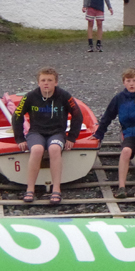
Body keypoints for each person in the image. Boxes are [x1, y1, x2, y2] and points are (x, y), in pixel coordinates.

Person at [13, 67, 84, 205]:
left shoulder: (64, 96)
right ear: (38, 82)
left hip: (57, 132)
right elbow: (17, 116)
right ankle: (30, 189)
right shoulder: (30, 96)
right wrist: (19, 138)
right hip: (36, 132)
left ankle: (56, 188)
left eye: (50, 80)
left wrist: (71, 137)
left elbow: (77, 115)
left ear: (55, 82)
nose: (46, 83)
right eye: (43, 80)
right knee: (37, 149)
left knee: (54, 149)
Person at [94, 68, 135, 199]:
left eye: (134, 81)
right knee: (125, 152)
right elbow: (107, 117)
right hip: (130, 133)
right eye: (128, 81)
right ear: (124, 83)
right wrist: (99, 134)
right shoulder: (119, 98)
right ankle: (121, 187)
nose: (131, 84)